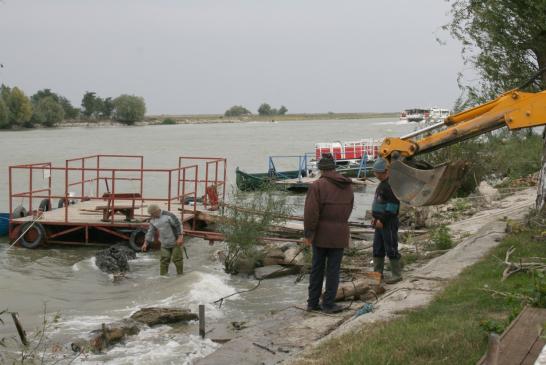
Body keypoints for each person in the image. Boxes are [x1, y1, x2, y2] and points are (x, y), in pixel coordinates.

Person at [304, 153, 354, 313]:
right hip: (340, 232)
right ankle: (329, 304)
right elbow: (350, 207)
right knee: (333, 270)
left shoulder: (317, 186)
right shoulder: (347, 186)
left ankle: (313, 303)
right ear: (334, 168)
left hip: (321, 234)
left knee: (317, 269)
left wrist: (308, 234)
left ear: (321, 169)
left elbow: (311, 213)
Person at [371, 158, 402, 284]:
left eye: (378, 172)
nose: (376, 175)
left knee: (391, 247)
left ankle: (397, 274)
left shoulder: (390, 186)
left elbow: (393, 206)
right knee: (377, 248)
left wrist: (382, 219)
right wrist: (375, 217)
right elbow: (379, 202)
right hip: (379, 221)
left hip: (388, 222)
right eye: (376, 172)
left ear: (385, 172)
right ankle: (377, 274)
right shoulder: (382, 184)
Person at [142, 204, 184, 276]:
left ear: (157, 211)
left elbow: (179, 225)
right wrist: (145, 243)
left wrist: (180, 238)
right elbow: (150, 232)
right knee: (164, 260)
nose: (151, 215)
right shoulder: (152, 220)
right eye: (150, 214)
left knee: (177, 260)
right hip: (164, 243)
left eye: (152, 213)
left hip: (176, 242)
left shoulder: (169, 215)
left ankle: (180, 276)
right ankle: (163, 278)